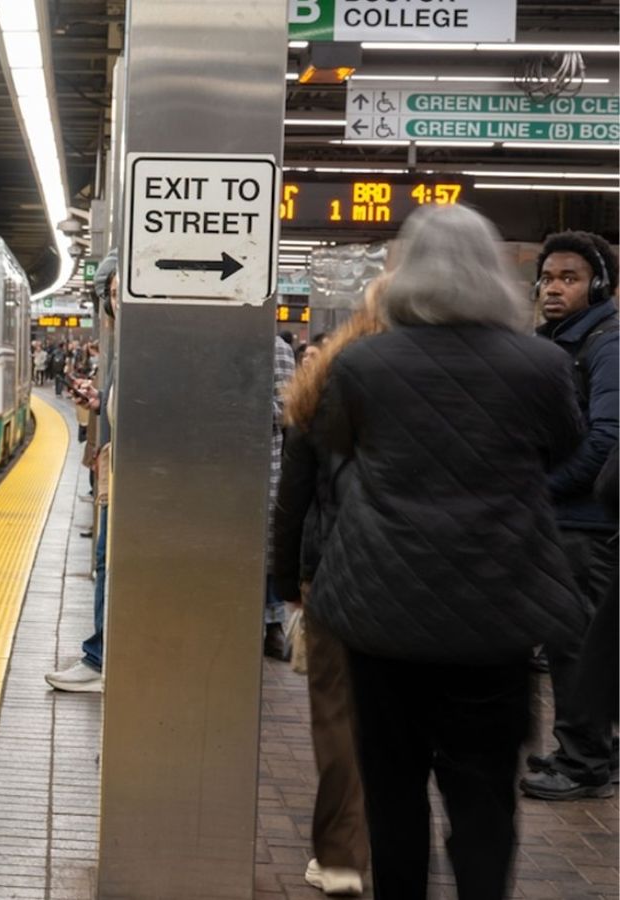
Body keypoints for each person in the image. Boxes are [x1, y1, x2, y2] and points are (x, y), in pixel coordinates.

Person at [308, 205, 586, 900]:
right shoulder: (544, 363)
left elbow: (339, 448)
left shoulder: (364, 362)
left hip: (383, 614)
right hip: (495, 616)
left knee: (393, 788)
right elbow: (569, 448)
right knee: (486, 795)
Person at [274, 277, 389, 898]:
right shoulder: (482, 375)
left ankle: (343, 856)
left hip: (336, 574)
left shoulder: (323, 380)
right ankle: (402, 843)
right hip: (432, 581)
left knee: (339, 716)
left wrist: (287, 579)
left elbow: (292, 496)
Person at [522, 231, 620, 801]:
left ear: (598, 285)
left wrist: (543, 487)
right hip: (569, 516)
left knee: (574, 639)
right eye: (549, 278)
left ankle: (583, 762)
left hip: (585, 521)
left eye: (570, 278)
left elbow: (609, 436)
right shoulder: (566, 341)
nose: (554, 289)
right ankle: (591, 749)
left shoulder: (605, 344)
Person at [47, 268, 116, 694]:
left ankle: (101, 658)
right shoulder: (126, 344)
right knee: (106, 562)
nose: (116, 300)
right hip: (117, 469)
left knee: (110, 562)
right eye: (110, 293)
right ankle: (101, 653)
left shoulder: (140, 343)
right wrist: (97, 400)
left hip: (132, 475)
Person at [263, 324, 298, 660]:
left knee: (267, 543)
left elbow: (287, 409)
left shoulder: (276, 349)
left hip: (264, 466)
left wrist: (245, 402)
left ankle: (272, 624)